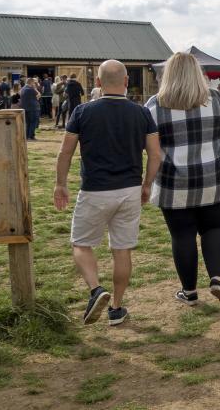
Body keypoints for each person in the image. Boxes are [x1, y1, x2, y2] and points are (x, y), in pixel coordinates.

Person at [55, 60, 161, 326]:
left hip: (95, 189)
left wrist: (60, 184)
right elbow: (156, 154)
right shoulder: (142, 113)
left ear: (98, 83)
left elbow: (65, 152)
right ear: (126, 82)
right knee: (122, 250)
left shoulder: (82, 111)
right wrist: (147, 184)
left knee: (81, 243)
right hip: (129, 189)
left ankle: (95, 290)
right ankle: (116, 307)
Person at [145, 52, 220, 307]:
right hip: (213, 178)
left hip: (173, 182)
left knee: (182, 235)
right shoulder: (215, 99)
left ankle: (189, 292)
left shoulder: (155, 104)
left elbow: (146, 143)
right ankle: (218, 279)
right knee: (215, 229)